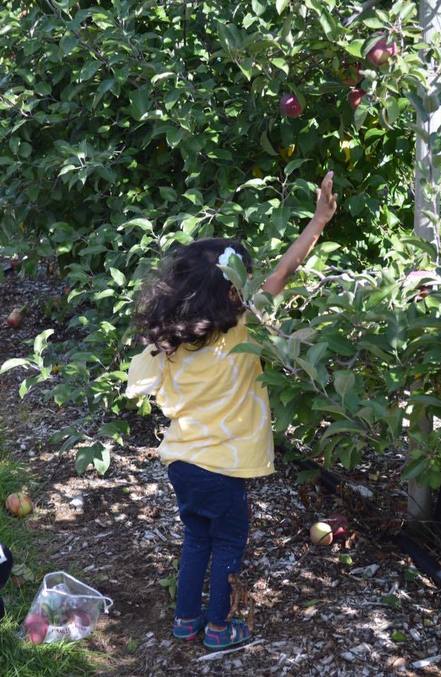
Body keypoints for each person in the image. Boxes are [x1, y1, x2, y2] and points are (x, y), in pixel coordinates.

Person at [126, 171, 337, 649]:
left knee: (197, 542)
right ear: (232, 290)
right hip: (223, 469)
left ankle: (185, 620)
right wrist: (318, 221)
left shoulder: (169, 338)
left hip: (182, 463)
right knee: (227, 547)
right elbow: (285, 273)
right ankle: (220, 628)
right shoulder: (242, 328)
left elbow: (137, 386)